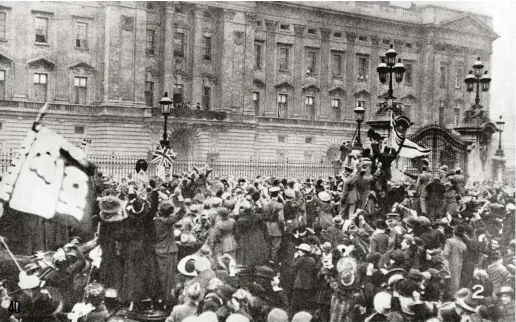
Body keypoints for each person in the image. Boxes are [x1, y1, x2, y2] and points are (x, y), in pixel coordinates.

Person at [262, 187, 285, 264]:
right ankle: (272, 260)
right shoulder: (279, 205)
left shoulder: (265, 204)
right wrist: (283, 226)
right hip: (276, 227)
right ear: (278, 194)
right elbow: (281, 219)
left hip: (267, 226)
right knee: (275, 246)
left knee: (267, 244)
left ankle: (266, 259)